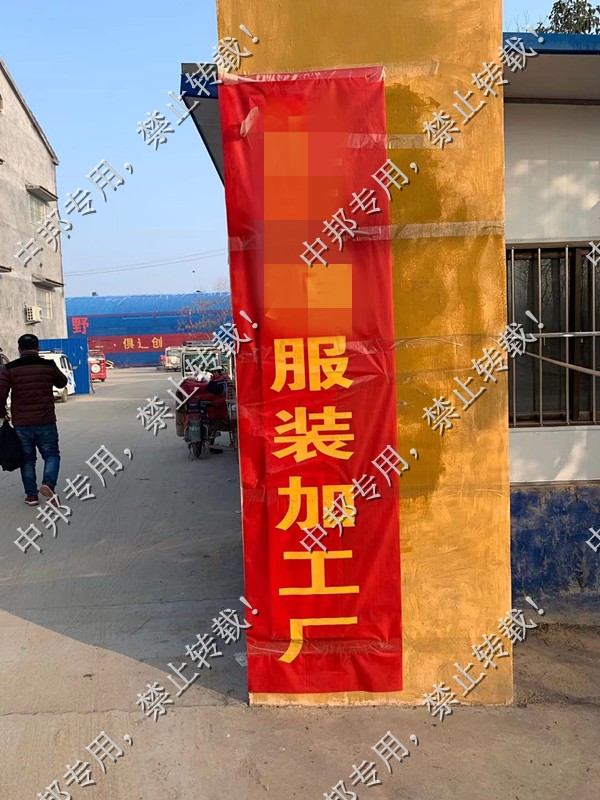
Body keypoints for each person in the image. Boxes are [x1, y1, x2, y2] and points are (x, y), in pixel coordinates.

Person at [0, 334, 68, 506]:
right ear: (37, 348)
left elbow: (1, 394)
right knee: (51, 455)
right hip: (46, 420)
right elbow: (62, 383)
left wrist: (3, 414)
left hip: (22, 423)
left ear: (19, 349)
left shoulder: (10, 368)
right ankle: (48, 484)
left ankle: (31, 496)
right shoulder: (48, 365)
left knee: (27, 460)